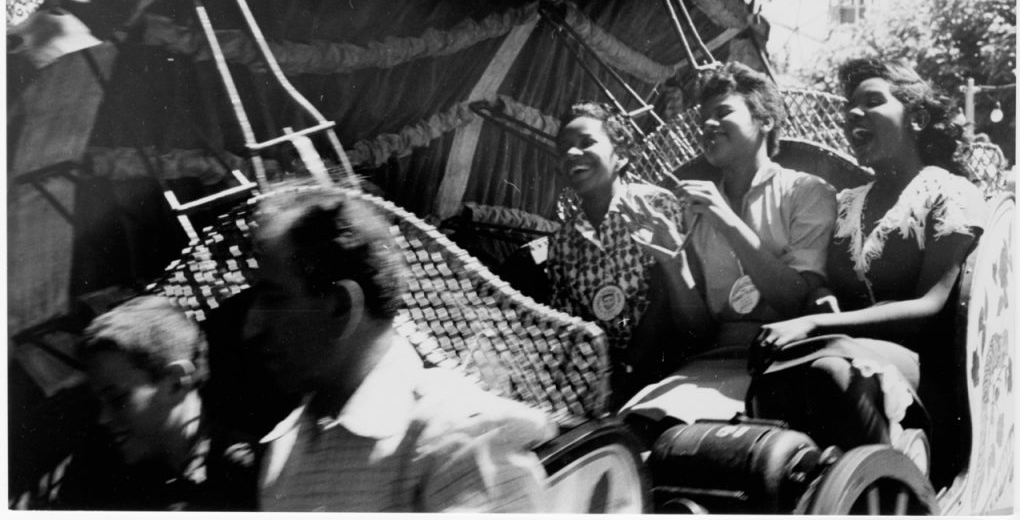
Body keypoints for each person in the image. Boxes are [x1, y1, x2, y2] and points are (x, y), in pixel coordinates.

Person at [243, 184, 555, 512]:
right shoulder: (285, 452)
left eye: (274, 299)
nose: (251, 328)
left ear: (340, 308)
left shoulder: (460, 441)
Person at [748, 57, 987, 480]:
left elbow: (929, 307)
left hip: (927, 373)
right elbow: (824, 286)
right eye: (849, 107)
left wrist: (813, 323)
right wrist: (820, 298)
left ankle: (898, 483)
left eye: (873, 101)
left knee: (831, 369)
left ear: (916, 117)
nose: (853, 114)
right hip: (848, 350)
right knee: (779, 371)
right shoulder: (845, 203)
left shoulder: (948, 193)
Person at [622, 62, 837, 425]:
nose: (707, 125)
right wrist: (675, 266)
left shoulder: (807, 193)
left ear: (765, 120)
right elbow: (698, 332)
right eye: (702, 118)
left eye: (723, 112)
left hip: (784, 362)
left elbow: (797, 303)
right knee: (634, 430)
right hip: (712, 363)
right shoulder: (694, 211)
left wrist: (727, 220)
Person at [548, 102, 713, 404]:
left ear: (621, 156)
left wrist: (629, 367)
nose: (572, 154)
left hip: (665, 364)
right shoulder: (562, 241)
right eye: (564, 149)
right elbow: (569, 321)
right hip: (604, 377)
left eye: (586, 143)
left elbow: (665, 295)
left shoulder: (654, 207)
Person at [57, 295, 258, 510]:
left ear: (176, 383)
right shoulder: (98, 469)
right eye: (100, 401)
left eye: (117, 398)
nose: (103, 418)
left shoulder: (244, 476)